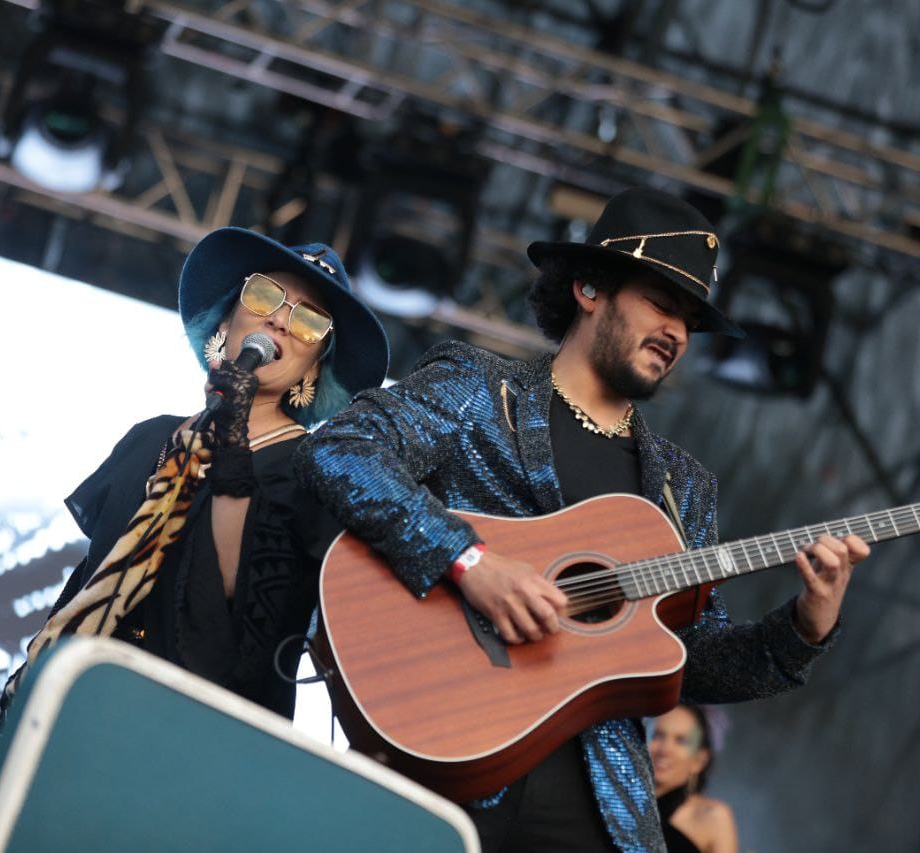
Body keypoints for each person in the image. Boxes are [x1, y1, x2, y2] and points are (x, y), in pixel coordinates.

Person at [294, 186, 869, 852]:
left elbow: (692, 662)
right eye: (662, 302)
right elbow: (341, 449)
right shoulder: (478, 390)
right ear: (590, 286)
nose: (678, 334)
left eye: (690, 320)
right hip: (441, 763)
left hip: (596, 812)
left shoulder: (685, 489)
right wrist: (470, 561)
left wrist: (804, 627)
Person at [0, 227, 388, 850]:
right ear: (229, 317)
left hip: (194, 755)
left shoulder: (317, 470)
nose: (283, 324)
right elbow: (92, 582)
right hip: (76, 720)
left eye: (310, 322)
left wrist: (231, 452)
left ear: (315, 366)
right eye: (265, 298)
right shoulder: (151, 436)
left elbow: (245, 617)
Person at [649, 704, 739, 853]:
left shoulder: (712, 817)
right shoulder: (616, 801)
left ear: (699, 760)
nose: (664, 749)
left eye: (681, 741)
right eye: (657, 735)